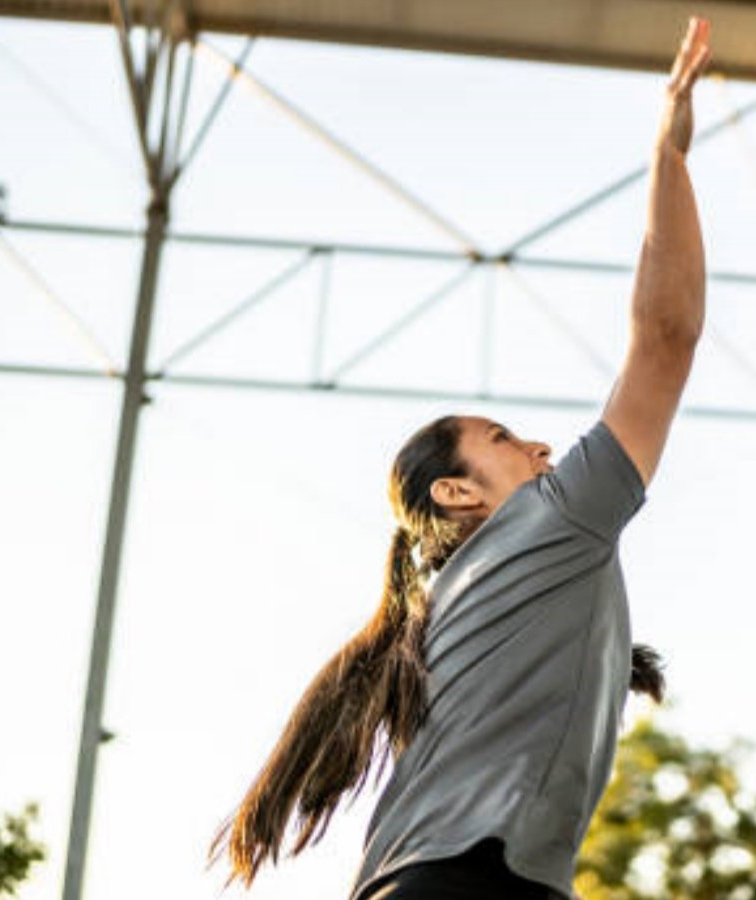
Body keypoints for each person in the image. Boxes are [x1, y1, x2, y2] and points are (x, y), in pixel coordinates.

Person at [207, 17, 714, 900]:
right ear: (456, 492)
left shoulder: (449, 598)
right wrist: (669, 152)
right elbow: (665, 338)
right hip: (468, 883)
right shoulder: (552, 520)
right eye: (503, 440)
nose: (541, 448)